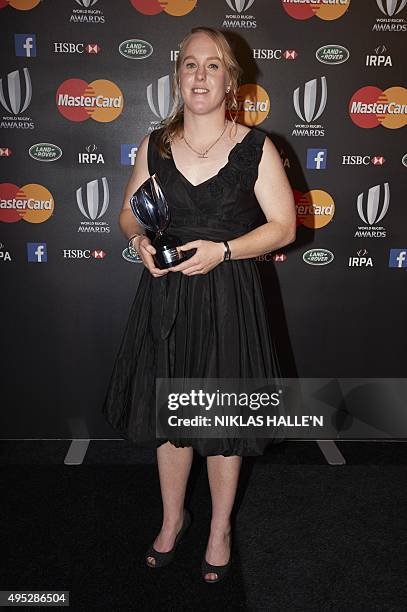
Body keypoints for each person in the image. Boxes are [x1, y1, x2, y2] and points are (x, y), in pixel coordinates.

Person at [102, 26, 296, 583]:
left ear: (230, 79)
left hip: (230, 299)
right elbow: (127, 214)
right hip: (166, 301)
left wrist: (226, 250)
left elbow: (283, 228)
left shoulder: (258, 147)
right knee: (171, 420)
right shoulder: (154, 144)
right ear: (177, 76)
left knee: (222, 422)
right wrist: (138, 241)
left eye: (213, 66)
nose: (200, 75)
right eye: (191, 65)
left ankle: (219, 528)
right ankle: (172, 518)